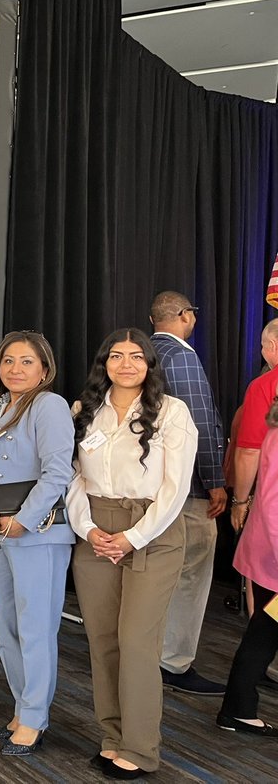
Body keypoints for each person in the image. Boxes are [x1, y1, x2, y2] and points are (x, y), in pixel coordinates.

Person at [68, 328, 197, 779]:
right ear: (104, 362)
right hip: (96, 532)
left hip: (153, 532)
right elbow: (73, 480)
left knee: (138, 642)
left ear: (149, 364)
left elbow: (175, 488)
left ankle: (141, 749)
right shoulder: (84, 411)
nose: (127, 364)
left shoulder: (173, 412)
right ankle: (112, 736)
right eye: (117, 356)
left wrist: (132, 538)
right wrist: (87, 528)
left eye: (137, 356)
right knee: (103, 641)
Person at [0, 331, 74, 756]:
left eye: (27, 362)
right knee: (7, 628)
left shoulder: (48, 406)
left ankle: (34, 718)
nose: (16, 369)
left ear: (45, 369)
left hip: (35, 533)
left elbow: (57, 472)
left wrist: (24, 521)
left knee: (35, 627)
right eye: (9, 361)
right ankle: (22, 705)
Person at [149, 292, 227, 695]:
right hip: (190, 489)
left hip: (147, 487)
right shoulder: (183, 357)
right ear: (185, 316)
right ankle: (174, 664)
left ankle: (148, 655)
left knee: (155, 573)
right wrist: (215, 481)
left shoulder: (138, 354)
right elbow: (199, 425)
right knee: (191, 574)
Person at [218, 395, 278, 735]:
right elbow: (272, 504)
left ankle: (237, 709)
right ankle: (237, 709)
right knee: (264, 632)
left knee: (264, 632)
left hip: (266, 552)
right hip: (274, 556)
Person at [231, 320, 278, 537]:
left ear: (273, 345)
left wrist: (240, 501)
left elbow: (250, 451)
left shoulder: (264, 385)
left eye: (262, 346)